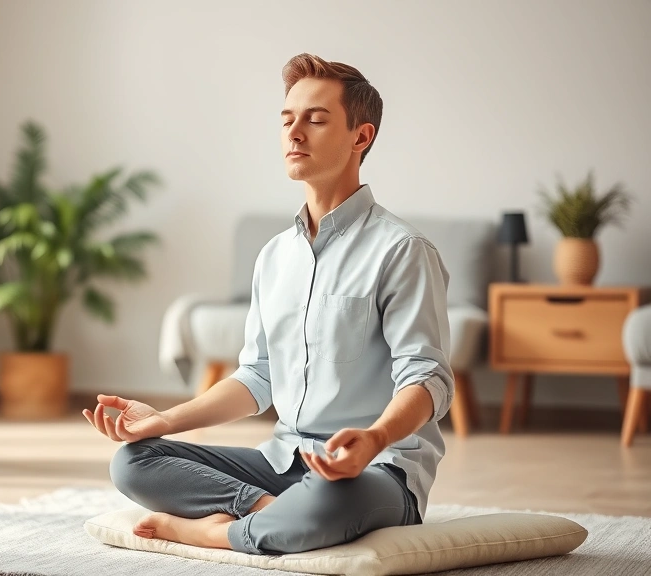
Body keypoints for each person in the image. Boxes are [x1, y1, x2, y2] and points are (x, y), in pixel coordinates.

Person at [82, 52, 454, 556]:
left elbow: (428, 378)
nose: (294, 133)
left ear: (360, 138)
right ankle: (265, 511)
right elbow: (258, 377)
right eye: (287, 120)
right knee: (133, 461)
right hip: (283, 463)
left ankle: (211, 532)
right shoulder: (275, 256)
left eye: (316, 119)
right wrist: (164, 421)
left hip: (376, 470)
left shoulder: (402, 251)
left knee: (326, 501)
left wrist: (376, 437)